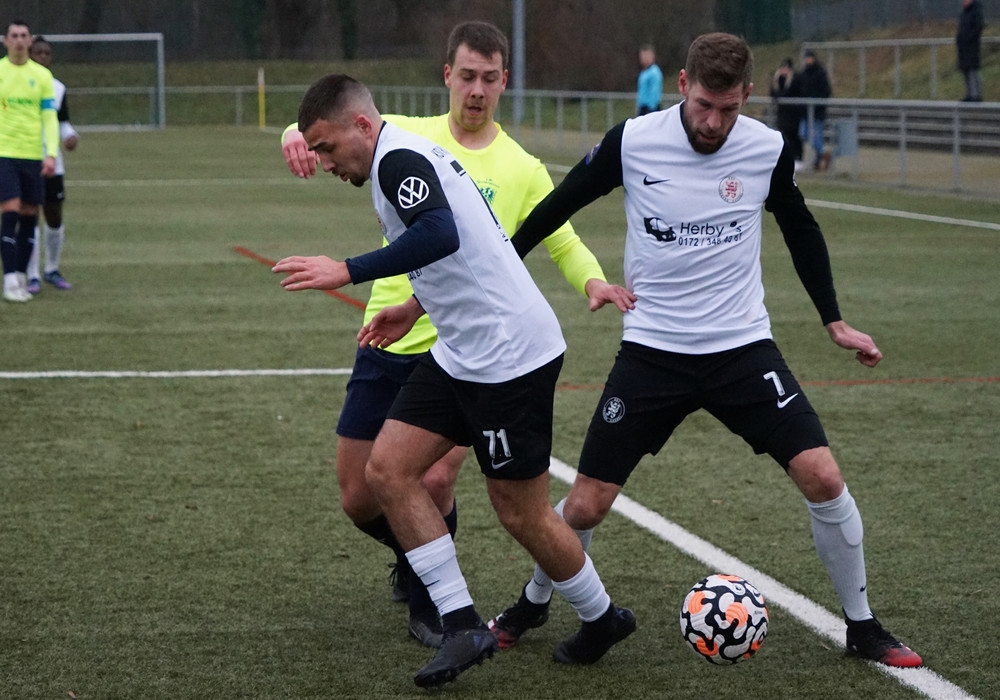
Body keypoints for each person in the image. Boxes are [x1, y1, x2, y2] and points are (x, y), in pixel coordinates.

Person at [487, 32, 924, 670]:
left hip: (742, 350)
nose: (714, 123)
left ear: (747, 95)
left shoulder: (766, 148)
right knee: (584, 504)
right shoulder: (633, 141)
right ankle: (533, 602)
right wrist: (500, 272)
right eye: (703, 107)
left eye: (729, 110)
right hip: (652, 353)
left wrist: (833, 320)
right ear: (683, 85)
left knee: (824, 477)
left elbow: (800, 227)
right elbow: (559, 205)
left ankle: (862, 626)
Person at [272, 74, 636, 688]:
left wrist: (349, 270)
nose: (325, 162)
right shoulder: (395, 157)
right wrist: (414, 307)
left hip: (510, 357)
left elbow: (442, 232)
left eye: (327, 147)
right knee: (388, 470)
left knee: (520, 513)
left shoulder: (397, 161)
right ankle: (461, 624)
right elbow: (469, 246)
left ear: (361, 125)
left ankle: (602, 618)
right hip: (463, 350)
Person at [0, 20, 59, 303]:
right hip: (4, 153)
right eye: (14, 36)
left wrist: (51, 154)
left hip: (33, 155)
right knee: (10, 212)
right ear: (6, 41)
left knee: (29, 217)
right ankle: (9, 279)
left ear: (30, 40)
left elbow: (49, 117)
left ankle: (22, 277)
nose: (19, 40)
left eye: (24, 35)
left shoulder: (42, 76)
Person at [26, 35, 77, 294]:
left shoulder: (58, 88)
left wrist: (70, 136)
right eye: (38, 52)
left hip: (52, 161)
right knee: (29, 215)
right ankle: (32, 275)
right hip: (25, 158)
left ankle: (52, 269)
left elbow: (62, 122)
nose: (43, 57)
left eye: (47, 53)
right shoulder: (18, 84)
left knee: (54, 215)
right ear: (29, 54)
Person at [797, 50, 832, 171]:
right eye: (806, 58)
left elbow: (826, 91)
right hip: (805, 111)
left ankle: (817, 161)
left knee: (817, 135)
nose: (808, 60)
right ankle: (823, 152)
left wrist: (818, 103)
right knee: (803, 133)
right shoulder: (803, 73)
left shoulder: (820, 72)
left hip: (817, 111)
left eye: (810, 58)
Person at [770, 57, 803, 171]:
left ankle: (798, 158)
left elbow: (790, 93)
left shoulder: (796, 79)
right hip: (782, 113)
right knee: (783, 135)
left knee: (794, 136)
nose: (785, 70)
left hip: (793, 114)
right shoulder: (778, 78)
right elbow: (774, 94)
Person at [956, 0, 985, 102]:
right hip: (964, 47)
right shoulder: (964, 13)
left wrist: (969, 38)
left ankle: (976, 95)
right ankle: (969, 93)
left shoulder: (976, 11)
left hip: (971, 46)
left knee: (973, 71)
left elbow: (978, 27)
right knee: (966, 70)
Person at [636, 43, 663, 115]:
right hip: (643, 106)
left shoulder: (654, 72)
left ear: (652, 56)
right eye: (643, 57)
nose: (644, 59)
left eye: (647, 56)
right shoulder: (643, 72)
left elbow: (654, 91)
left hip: (650, 108)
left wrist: (651, 109)